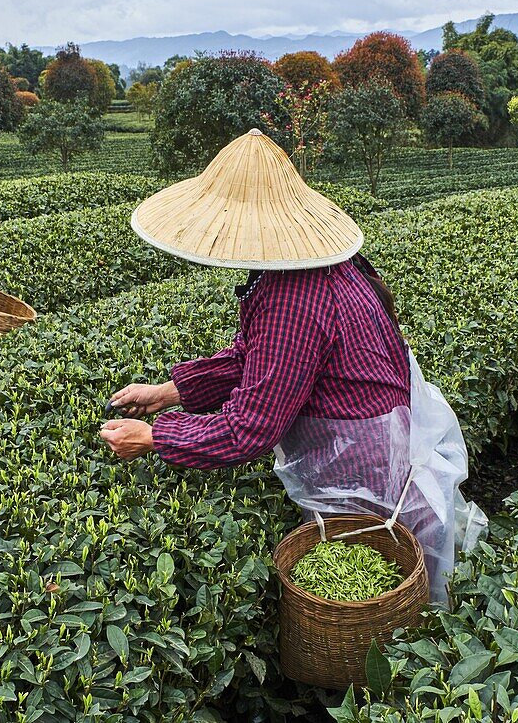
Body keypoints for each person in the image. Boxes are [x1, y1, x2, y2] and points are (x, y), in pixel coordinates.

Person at [99, 129, 475, 600]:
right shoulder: (311, 268)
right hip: (378, 446)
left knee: (363, 603)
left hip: (358, 468)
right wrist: (169, 392)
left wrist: (154, 436)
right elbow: (255, 357)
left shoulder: (294, 296)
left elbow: (247, 430)